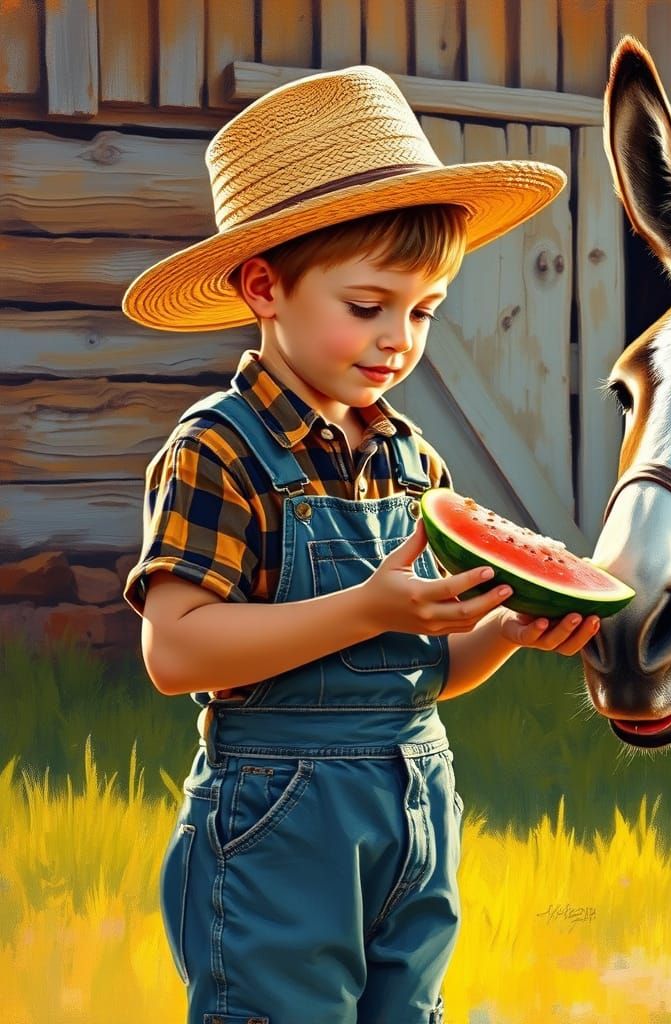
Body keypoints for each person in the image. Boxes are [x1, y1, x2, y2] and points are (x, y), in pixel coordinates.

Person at [120, 65, 600, 1024]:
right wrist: (366, 608)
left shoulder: (409, 456)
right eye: (369, 306)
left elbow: (422, 667)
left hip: (417, 798)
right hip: (276, 820)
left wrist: (498, 634)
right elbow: (176, 652)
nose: (399, 341)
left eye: (424, 311)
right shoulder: (218, 449)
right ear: (265, 286)